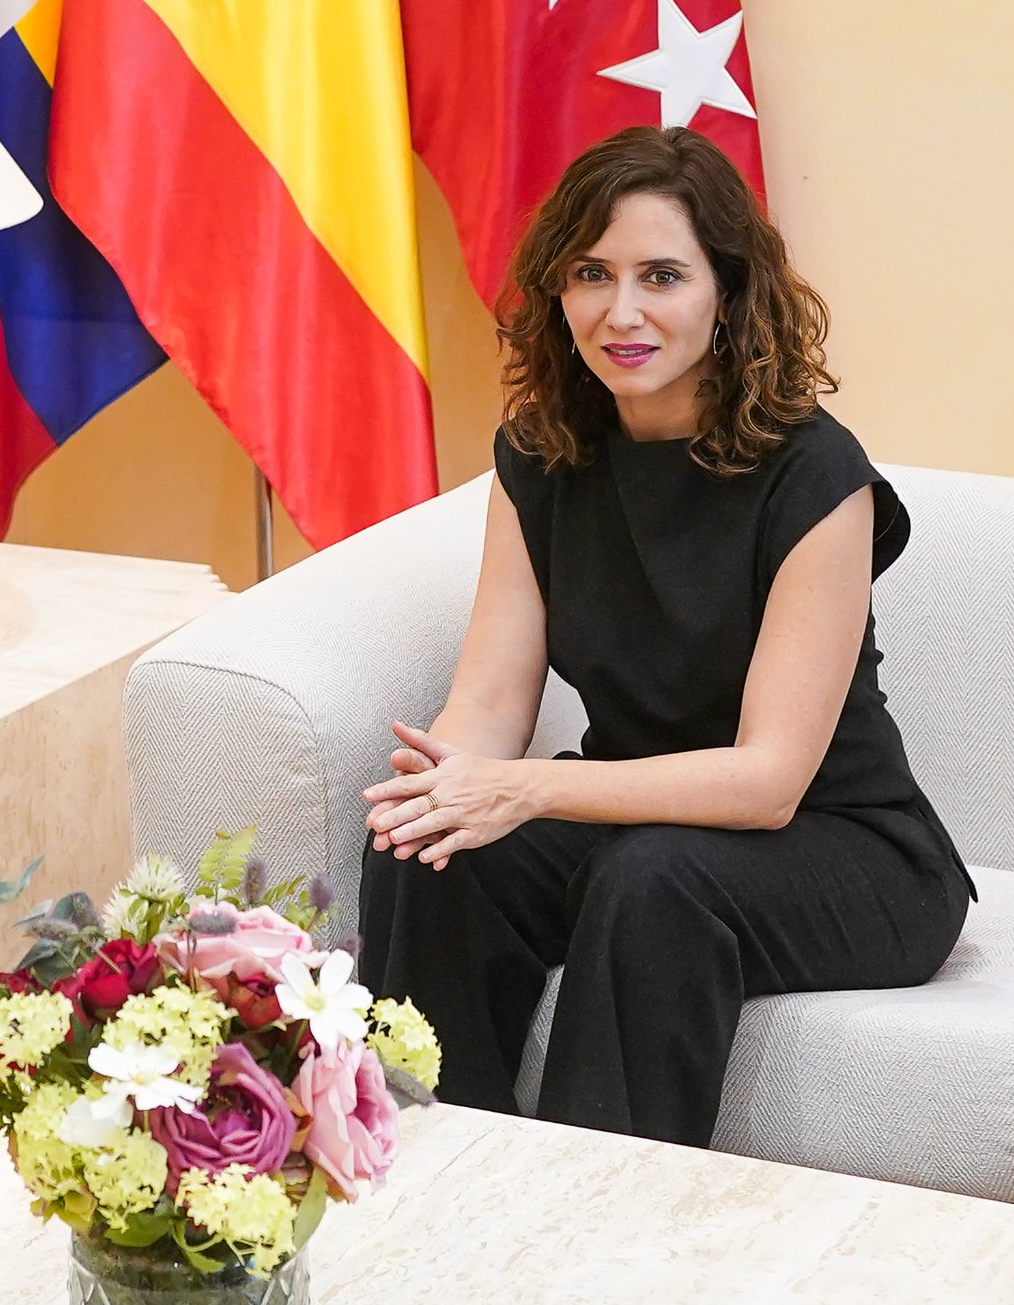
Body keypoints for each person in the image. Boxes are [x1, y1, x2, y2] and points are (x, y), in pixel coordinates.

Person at [354, 125, 971, 1146]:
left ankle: (594, 1234)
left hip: (842, 849)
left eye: (662, 275)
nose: (621, 310)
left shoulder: (817, 476)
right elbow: (492, 702)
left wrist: (525, 788)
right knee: (432, 853)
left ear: (726, 293)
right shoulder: (542, 453)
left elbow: (768, 780)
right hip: (645, 825)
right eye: (591, 272)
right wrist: (443, 786)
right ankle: (430, 1181)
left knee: (652, 881)